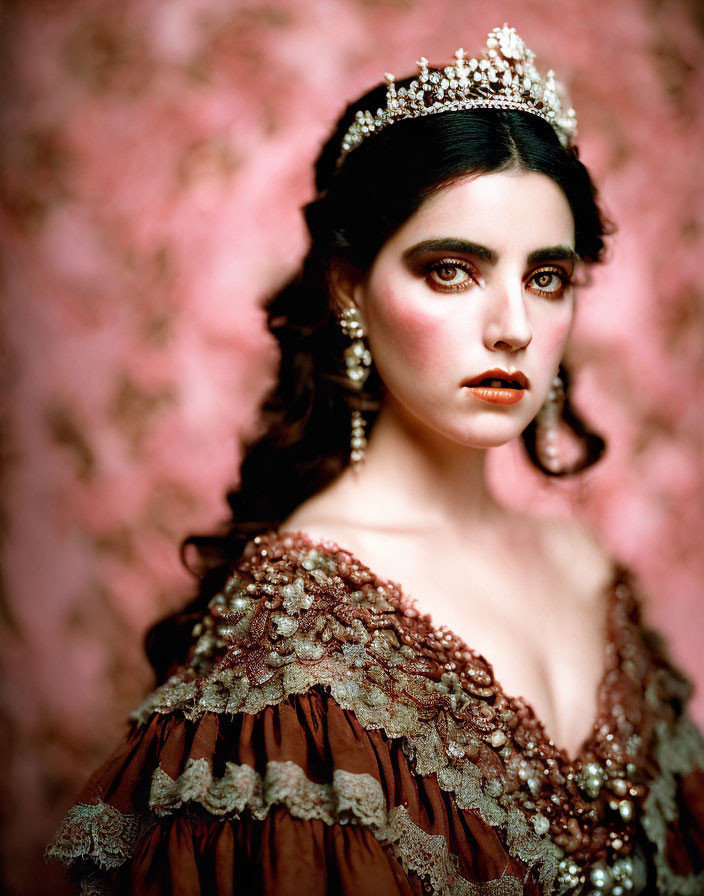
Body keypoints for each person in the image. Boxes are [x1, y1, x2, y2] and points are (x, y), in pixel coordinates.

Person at [45, 24, 704, 895]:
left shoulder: (586, 569)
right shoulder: (294, 623)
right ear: (349, 287)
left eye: (545, 277)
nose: (511, 325)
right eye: (451, 270)